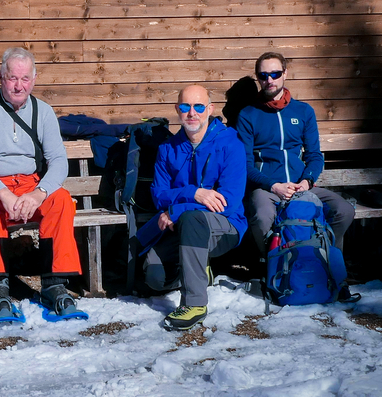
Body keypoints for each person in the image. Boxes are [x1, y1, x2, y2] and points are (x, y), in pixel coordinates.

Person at [0, 47, 83, 320]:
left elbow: (59, 162)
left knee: (61, 200)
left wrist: (39, 194)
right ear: (1, 77)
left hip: (30, 184)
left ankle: (55, 283)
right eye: (12, 78)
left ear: (34, 79)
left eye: (25, 78)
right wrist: (3, 194)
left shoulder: (43, 111)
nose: (19, 85)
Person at [236, 51, 358, 301]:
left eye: (275, 74)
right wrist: (274, 185)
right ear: (258, 78)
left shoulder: (303, 111)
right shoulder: (248, 115)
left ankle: (325, 260)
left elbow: (315, 155)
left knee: (344, 210)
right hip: (268, 188)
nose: (270, 79)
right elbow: (245, 165)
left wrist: (307, 181)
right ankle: (273, 265)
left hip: (302, 186)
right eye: (263, 75)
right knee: (261, 216)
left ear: (285, 74)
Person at [137, 84, 247, 330]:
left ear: (210, 109)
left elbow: (227, 202)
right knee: (154, 277)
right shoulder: (168, 148)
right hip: (181, 228)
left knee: (192, 220)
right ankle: (199, 268)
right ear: (177, 109)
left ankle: (195, 304)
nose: (192, 113)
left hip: (225, 227)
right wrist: (193, 193)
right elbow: (158, 195)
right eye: (186, 107)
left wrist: (177, 210)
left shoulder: (231, 143)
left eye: (198, 106)